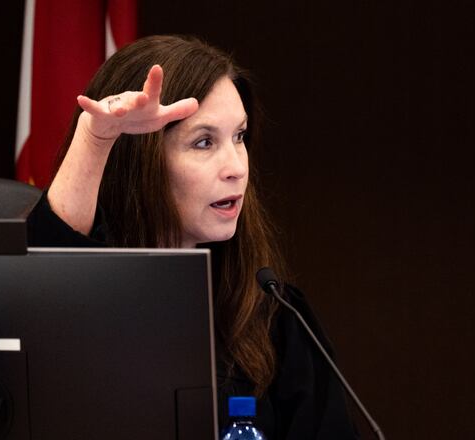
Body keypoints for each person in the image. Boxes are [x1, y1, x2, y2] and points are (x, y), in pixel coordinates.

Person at [27, 34, 358, 439]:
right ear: (141, 161)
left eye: (239, 137)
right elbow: (39, 273)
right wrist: (97, 138)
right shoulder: (78, 305)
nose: (237, 167)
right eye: (204, 142)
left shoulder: (274, 315)